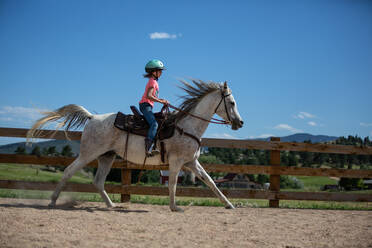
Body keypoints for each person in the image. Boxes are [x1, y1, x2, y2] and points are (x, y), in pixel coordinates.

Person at [139, 59, 169, 156]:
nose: (161, 73)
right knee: (154, 124)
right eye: (159, 71)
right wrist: (161, 101)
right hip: (145, 105)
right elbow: (149, 96)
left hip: (147, 105)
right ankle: (148, 148)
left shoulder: (153, 81)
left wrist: (162, 100)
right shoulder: (153, 82)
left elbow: (152, 96)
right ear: (153, 72)